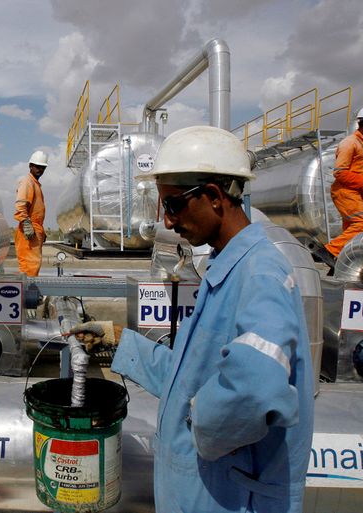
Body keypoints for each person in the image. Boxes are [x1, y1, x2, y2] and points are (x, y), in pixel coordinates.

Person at [71, 126, 314, 513]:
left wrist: (197, 421)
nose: (166, 222)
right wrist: (120, 341)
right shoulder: (227, 268)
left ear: (215, 197)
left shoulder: (260, 273)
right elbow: (191, 377)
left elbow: (253, 387)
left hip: (228, 499)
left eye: (171, 205)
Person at [321, 103, 363, 263]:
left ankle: (341, 259)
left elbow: (361, 166)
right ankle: (329, 252)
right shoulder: (349, 143)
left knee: (353, 229)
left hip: (357, 192)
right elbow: (340, 172)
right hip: (345, 191)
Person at [14, 150, 48, 276]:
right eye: (37, 166)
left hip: (35, 229)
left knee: (33, 265)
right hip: (29, 230)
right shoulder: (27, 182)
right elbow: (21, 204)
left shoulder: (35, 184)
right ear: (30, 166)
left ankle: (29, 293)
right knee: (29, 265)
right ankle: (27, 294)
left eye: (42, 167)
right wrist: (26, 223)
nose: (40, 169)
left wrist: (41, 231)